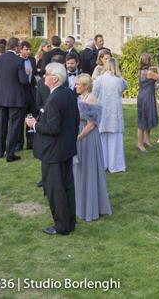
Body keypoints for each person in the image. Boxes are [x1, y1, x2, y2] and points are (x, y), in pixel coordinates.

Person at [26, 62, 78, 235]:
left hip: (53, 151)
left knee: (55, 189)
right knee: (67, 186)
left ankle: (62, 225)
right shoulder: (69, 93)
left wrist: (35, 124)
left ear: (54, 79)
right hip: (66, 148)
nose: (43, 77)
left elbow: (53, 128)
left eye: (46, 74)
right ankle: (70, 221)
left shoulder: (55, 98)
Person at [73, 74, 112, 222]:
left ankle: (90, 206)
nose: (76, 86)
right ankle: (81, 204)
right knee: (80, 169)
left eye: (78, 84)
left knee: (88, 168)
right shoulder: (81, 98)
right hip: (81, 132)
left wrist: (77, 138)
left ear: (85, 86)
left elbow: (91, 124)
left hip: (88, 137)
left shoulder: (91, 99)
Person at [0, 37, 27, 162]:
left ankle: (0, 150)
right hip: (15, 97)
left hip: (1, 95)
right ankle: (10, 153)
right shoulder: (19, 61)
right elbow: (23, 80)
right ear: (16, 47)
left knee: (1, 123)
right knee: (14, 125)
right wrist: (27, 74)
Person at [93, 58, 128, 173]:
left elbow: (94, 94)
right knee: (115, 140)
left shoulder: (99, 79)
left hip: (102, 110)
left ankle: (103, 164)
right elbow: (125, 87)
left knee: (102, 139)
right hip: (114, 112)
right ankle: (115, 164)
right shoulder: (119, 80)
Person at [137, 53, 159, 152]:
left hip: (143, 95)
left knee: (147, 118)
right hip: (147, 96)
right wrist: (157, 68)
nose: (152, 61)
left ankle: (146, 140)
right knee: (143, 120)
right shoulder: (149, 72)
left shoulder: (140, 71)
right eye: (151, 59)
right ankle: (139, 143)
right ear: (148, 61)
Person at [19, 40, 38, 151]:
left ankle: (31, 142)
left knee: (30, 116)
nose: (29, 52)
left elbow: (34, 74)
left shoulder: (31, 60)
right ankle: (19, 142)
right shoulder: (17, 61)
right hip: (20, 92)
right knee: (20, 118)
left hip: (30, 92)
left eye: (29, 49)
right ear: (20, 49)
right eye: (26, 49)